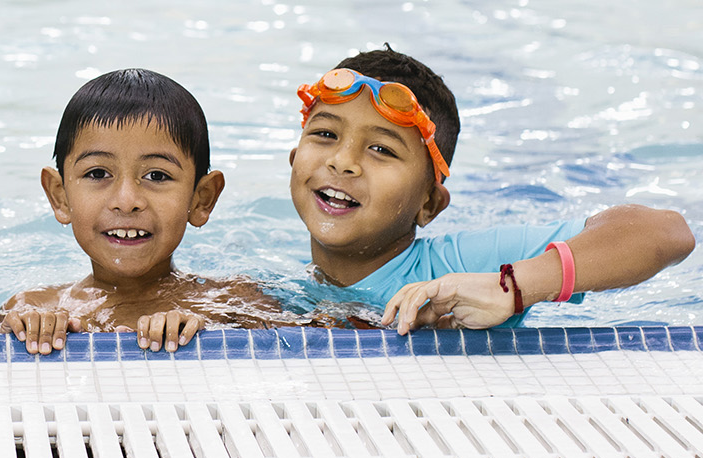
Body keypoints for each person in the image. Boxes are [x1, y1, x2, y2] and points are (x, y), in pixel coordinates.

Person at [286, 47, 694, 334]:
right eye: (325, 133)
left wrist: (514, 287)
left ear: (429, 204)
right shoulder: (289, 291)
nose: (343, 161)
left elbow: (666, 232)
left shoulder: (461, 268)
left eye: (381, 149)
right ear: (293, 160)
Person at [0, 68, 325, 356]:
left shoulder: (233, 306)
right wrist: (27, 335)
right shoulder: (33, 308)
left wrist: (209, 333)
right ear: (60, 196)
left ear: (202, 199)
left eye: (157, 175)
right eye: (98, 174)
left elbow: (325, 346)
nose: (126, 201)